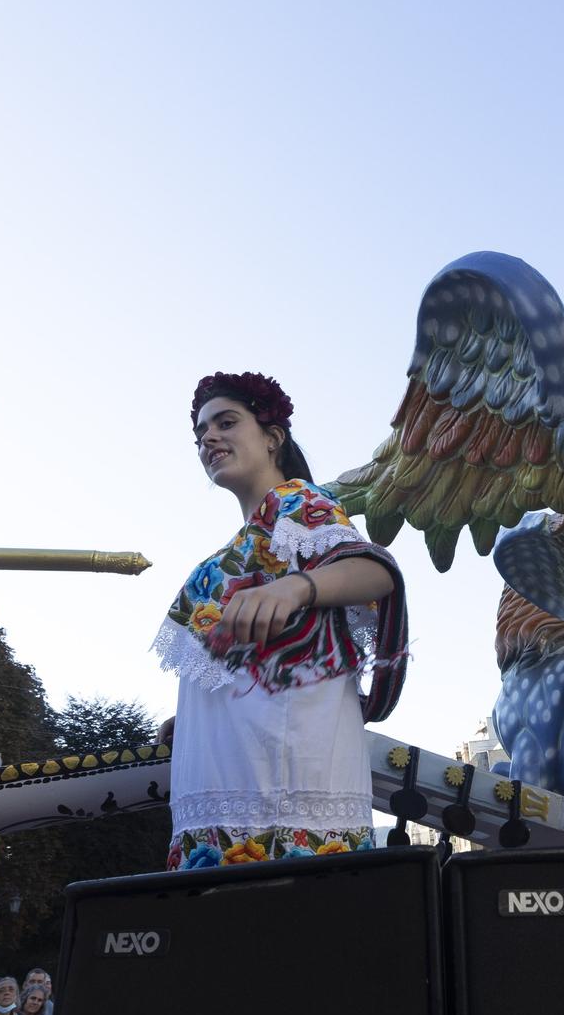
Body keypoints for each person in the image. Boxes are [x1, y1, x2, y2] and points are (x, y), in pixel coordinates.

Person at [155, 372, 408, 868]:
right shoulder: (230, 552)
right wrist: (198, 715)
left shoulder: (295, 504)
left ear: (273, 438)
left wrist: (297, 586)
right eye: (201, 432)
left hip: (285, 788)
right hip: (224, 785)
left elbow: (375, 571)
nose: (208, 438)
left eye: (226, 422)